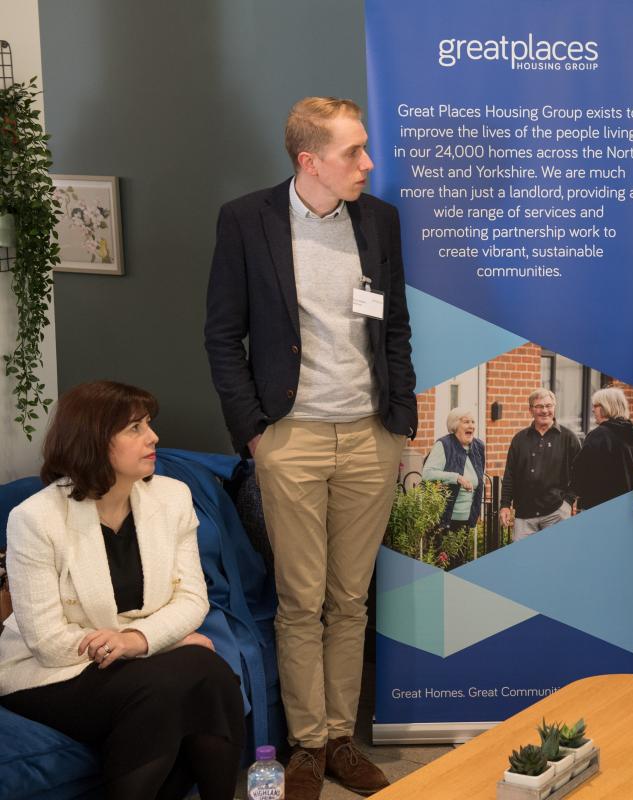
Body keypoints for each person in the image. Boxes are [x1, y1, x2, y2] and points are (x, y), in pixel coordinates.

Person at [204, 96, 416, 799]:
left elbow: (395, 331)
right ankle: (305, 746)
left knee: (350, 598)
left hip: (369, 436)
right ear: (309, 161)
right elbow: (222, 335)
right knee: (300, 601)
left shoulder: (377, 220)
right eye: (354, 152)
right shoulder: (247, 220)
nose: (368, 164)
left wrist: (401, 424)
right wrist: (256, 434)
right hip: (289, 437)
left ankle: (338, 739)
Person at [0, 381, 243, 800]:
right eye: (134, 428)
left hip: (128, 661)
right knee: (177, 681)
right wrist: (161, 645)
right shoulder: (35, 519)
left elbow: (192, 599)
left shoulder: (172, 498)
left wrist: (137, 640)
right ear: (93, 441)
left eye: (148, 424)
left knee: (212, 675)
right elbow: (48, 642)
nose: (153, 437)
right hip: (50, 674)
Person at [498, 389, 581, 541]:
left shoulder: (569, 438)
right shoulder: (519, 439)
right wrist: (505, 505)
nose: (544, 411)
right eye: (539, 406)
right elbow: (510, 475)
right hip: (524, 516)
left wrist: (568, 502)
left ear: (554, 407)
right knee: (524, 561)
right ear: (531, 410)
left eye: (548, 406)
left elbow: (581, 474)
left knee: (555, 562)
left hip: (556, 513)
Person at [422, 408, 486, 564]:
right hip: (444, 519)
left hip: (465, 520)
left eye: (473, 422)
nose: (471, 426)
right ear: (455, 425)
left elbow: (479, 478)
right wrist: (456, 478)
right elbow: (428, 473)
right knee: (442, 564)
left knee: (459, 564)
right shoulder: (444, 445)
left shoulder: (478, 446)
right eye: (466, 422)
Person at [570, 386, 633, 510]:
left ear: (606, 406)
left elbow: (579, 472)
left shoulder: (598, 436)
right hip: (627, 507)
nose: (592, 410)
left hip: (599, 507)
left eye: (595, 406)